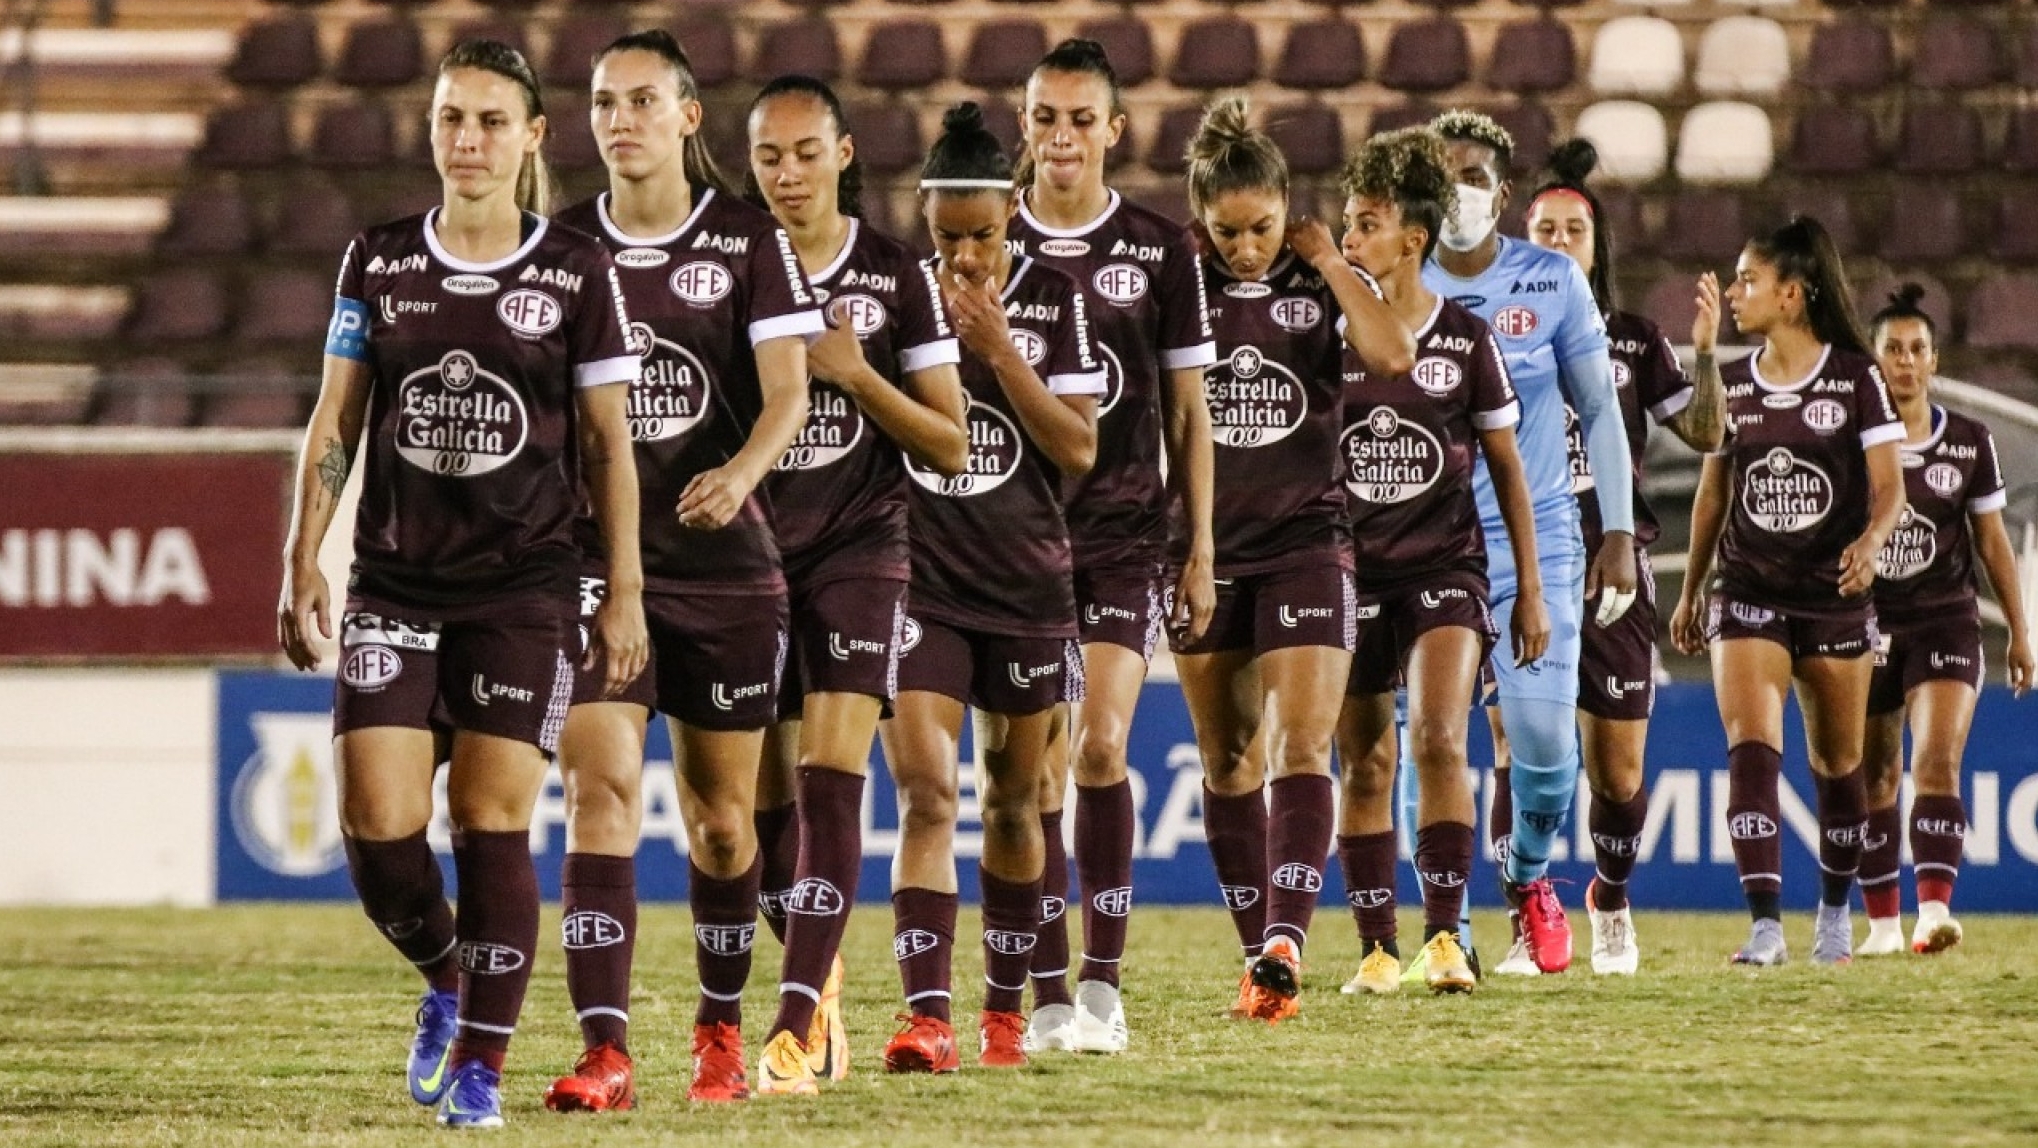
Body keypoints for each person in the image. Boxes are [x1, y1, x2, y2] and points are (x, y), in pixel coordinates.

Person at [278, 39, 644, 1130]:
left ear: (532, 136)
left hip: (526, 587)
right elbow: (336, 418)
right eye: (451, 119)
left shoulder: (575, 271)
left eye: (491, 121)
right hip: (394, 581)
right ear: (432, 129)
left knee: (491, 820)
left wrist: (621, 588)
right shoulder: (377, 260)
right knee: (378, 829)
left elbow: (611, 444)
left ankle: (480, 1066)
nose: (468, 139)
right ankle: (448, 974)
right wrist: (304, 553)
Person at [544, 30, 822, 1108]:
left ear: (687, 116)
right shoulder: (560, 248)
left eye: (643, 100)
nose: (621, 120)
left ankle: (718, 1028)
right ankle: (604, 1048)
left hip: (725, 568)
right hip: (595, 567)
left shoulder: (751, 241)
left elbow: (791, 392)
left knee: (720, 818)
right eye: (605, 101)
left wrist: (742, 469)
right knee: (599, 786)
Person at [742, 75, 970, 1093]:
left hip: (858, 551)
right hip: (744, 560)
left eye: (803, 152)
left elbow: (954, 441)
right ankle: (819, 965)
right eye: (767, 157)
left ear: (842, 154)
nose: (786, 173)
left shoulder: (894, 277)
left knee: (833, 769)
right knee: (747, 815)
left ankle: (794, 1024)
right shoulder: (727, 271)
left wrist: (855, 375)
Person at [1173, 94, 1415, 1024]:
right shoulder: (1178, 281)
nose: (1246, 247)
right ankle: (1257, 958)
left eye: (1264, 228)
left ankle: (1286, 939)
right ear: (1203, 220)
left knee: (1300, 743)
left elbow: (1392, 350)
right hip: (1199, 549)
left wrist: (1327, 259)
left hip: (1309, 542)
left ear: (1288, 209)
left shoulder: (1318, 278)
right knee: (1227, 756)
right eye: (1228, 231)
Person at [877, 102, 1104, 1074]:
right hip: (920, 584)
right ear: (924, 224)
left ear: (1014, 211)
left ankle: (1003, 1012)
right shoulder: (891, 299)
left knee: (1016, 806)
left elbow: (1080, 447)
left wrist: (1001, 348)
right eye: (947, 236)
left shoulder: (1055, 299)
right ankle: (926, 1015)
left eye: (982, 233)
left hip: (1026, 589)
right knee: (929, 792)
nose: (965, 256)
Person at [1004, 38, 1217, 1054]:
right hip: (1010, 542)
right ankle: (1047, 990)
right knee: (1032, 771)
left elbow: (1187, 409)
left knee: (1098, 744)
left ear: (1114, 131)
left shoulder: (1158, 248)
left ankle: (1102, 980)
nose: (1061, 137)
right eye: (1046, 117)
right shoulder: (987, 244)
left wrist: (1200, 545)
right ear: (1025, 122)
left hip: (1126, 532)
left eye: (1081, 119)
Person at [1330, 127, 1548, 997]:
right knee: (1366, 761)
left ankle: (1446, 938)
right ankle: (1378, 950)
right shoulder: (1328, 335)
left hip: (1445, 570)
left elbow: (1509, 470)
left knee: (1437, 737)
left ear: (1412, 238)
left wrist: (1528, 589)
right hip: (1348, 573)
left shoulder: (1463, 339)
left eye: (1367, 225)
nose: (1349, 241)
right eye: (1346, 224)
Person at [1420, 110, 1639, 977]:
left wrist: (1617, 530)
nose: (1460, 195)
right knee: (1431, 738)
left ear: (1501, 193)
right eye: (1445, 179)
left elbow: (1601, 412)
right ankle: (1448, 929)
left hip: (1538, 538)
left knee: (1548, 750)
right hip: (1425, 541)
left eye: (1475, 179)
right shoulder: (1397, 280)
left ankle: (1529, 874)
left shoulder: (1551, 281)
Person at [1669, 216, 1906, 967]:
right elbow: (1711, 491)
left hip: (1833, 597)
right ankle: (1765, 925)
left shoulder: (1855, 377)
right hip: (1748, 592)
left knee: (1841, 770)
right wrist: (1692, 587)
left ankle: (1834, 910)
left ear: (1793, 294)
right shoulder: (1734, 380)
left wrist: (1870, 543)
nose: (1735, 291)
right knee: (1751, 749)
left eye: (1748, 279)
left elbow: (1891, 488)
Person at [1518, 139, 1726, 975]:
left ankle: (1609, 895)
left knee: (1618, 769)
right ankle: (1529, 923)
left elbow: (1707, 433)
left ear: (1597, 247)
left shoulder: (1633, 341)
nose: (1559, 241)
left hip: (1612, 572)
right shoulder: (1486, 335)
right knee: (1517, 746)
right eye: (1544, 228)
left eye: (1574, 229)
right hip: (1520, 564)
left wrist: (1708, 351)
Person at [1857, 284, 2032, 956]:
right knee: (1872, 776)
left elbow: (1992, 542)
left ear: (1935, 362)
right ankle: (1879, 926)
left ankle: (1932, 912)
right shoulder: (1853, 444)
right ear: (1874, 363)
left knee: (1935, 761)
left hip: (1944, 622)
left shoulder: (1968, 441)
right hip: (1868, 625)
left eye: (1917, 349)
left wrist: (2019, 629)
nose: (1905, 361)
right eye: (1892, 350)